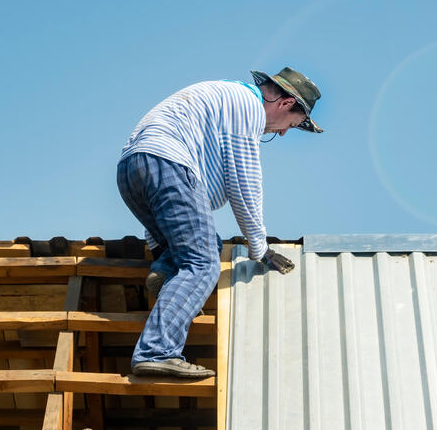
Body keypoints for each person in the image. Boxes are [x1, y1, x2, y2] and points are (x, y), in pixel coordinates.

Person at [116, 67, 322, 378]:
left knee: (204, 243)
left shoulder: (225, 96)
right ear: (284, 103)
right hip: (169, 163)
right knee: (202, 264)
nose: (281, 133)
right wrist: (259, 247)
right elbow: (244, 182)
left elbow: (175, 201)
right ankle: (157, 352)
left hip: (132, 168)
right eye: (291, 125)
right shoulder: (248, 108)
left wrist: (160, 249)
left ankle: (165, 273)